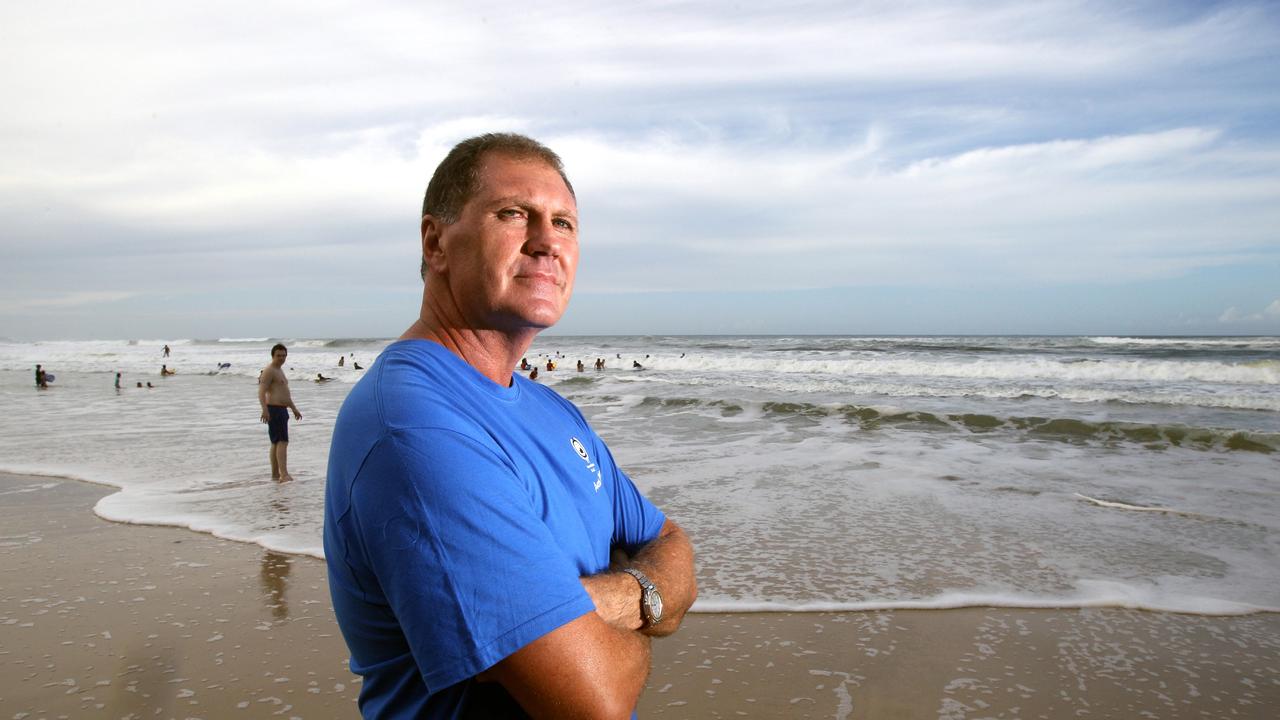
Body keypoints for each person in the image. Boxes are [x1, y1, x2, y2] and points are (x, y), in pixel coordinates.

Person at [324, 133, 696, 719]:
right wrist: (645, 606)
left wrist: (615, 597)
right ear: (435, 242)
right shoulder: (414, 426)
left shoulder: (551, 409)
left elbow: (670, 543)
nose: (547, 241)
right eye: (514, 214)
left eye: (565, 223)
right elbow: (596, 700)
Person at [259, 343, 302, 482]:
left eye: (284, 355)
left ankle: (276, 475)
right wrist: (264, 409)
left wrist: (293, 408)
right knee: (282, 441)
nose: (281, 358)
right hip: (274, 409)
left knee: (276, 442)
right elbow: (261, 391)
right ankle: (283, 474)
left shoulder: (279, 370)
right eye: (278, 355)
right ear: (273, 356)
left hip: (281, 409)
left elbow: (284, 394)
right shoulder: (269, 370)